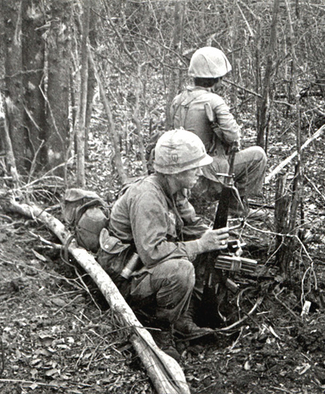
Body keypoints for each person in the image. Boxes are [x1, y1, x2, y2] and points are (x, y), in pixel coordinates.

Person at [97, 129, 232, 361]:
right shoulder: (148, 197)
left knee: (199, 251)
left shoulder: (174, 190)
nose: (200, 172)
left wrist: (218, 239)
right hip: (125, 278)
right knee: (181, 269)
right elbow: (152, 253)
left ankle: (182, 320)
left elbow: (192, 225)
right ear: (176, 170)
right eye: (194, 166)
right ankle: (160, 331)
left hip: (144, 270)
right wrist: (200, 245)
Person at [169, 46, 267, 217]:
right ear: (217, 78)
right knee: (258, 156)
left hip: (180, 172)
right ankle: (236, 208)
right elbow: (233, 136)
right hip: (206, 172)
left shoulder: (178, 99)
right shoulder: (214, 100)